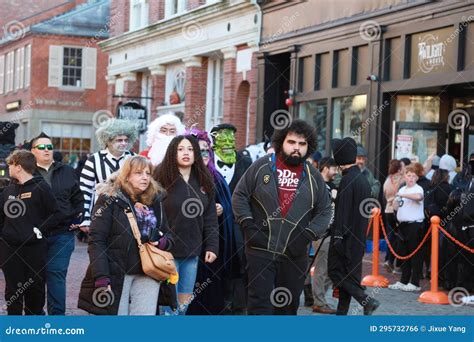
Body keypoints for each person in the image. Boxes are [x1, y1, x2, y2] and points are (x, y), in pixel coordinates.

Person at [232, 119, 332, 315]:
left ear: (308, 147)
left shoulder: (313, 176)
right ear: (281, 142)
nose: (296, 148)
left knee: (287, 306)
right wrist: (249, 226)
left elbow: (325, 211)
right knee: (259, 306)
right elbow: (239, 196)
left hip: (294, 255)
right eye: (292, 142)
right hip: (259, 250)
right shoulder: (261, 166)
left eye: (302, 144)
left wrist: (306, 236)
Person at [78, 156, 172, 315]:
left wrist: (162, 242)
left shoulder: (155, 200)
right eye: (138, 173)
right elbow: (96, 240)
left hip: (149, 271)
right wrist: (101, 276)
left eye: (148, 173)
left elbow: (169, 236)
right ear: (127, 175)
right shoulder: (109, 198)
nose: (145, 177)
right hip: (118, 272)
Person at [154, 135, 219, 315]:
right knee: (169, 307)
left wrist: (213, 246)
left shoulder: (204, 179)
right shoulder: (160, 177)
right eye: (181, 149)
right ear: (173, 152)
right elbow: (151, 212)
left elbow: (211, 217)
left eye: (190, 149)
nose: (186, 153)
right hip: (166, 253)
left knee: (183, 307)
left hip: (192, 252)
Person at [0, 150, 61, 315]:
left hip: (34, 249)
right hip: (10, 251)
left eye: (10, 165)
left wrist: (39, 230)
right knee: (13, 292)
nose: (8, 168)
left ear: (18, 167)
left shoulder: (41, 187)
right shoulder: (7, 190)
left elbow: (56, 213)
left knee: (35, 289)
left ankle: (32, 329)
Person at [30, 133, 84, 315]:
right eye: (42, 147)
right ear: (32, 151)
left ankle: (57, 321)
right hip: (33, 236)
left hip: (62, 234)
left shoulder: (67, 171)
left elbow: (79, 199)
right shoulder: (26, 172)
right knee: (35, 278)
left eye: (50, 147)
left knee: (56, 275)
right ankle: (35, 318)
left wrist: (76, 220)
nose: (47, 150)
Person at [186, 128, 237, 315]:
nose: (204, 155)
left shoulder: (217, 177)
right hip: (188, 246)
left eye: (207, 150)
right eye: (198, 151)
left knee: (212, 293)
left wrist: (223, 209)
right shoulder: (182, 177)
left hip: (213, 247)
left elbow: (229, 206)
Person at [327, 137, 379, 315]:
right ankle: (342, 314)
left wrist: (338, 237)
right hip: (357, 238)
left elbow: (343, 213)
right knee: (349, 277)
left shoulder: (347, 180)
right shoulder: (362, 179)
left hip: (345, 238)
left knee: (335, 272)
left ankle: (367, 300)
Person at [210, 123, 252, 314]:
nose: (228, 143)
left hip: (238, 224)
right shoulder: (206, 162)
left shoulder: (245, 161)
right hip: (213, 224)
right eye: (222, 139)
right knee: (215, 263)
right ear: (214, 141)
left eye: (231, 139)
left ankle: (238, 306)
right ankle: (217, 303)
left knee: (240, 262)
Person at [79, 119, 138, 234]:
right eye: (119, 140)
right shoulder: (94, 159)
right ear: (108, 140)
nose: (124, 143)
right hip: (101, 211)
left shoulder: (133, 158)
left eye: (126, 140)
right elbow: (85, 190)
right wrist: (85, 218)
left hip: (128, 212)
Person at [388, 165, 425, 292]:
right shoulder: (402, 189)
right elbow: (397, 207)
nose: (411, 178)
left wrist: (403, 194)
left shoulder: (418, 188)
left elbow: (419, 197)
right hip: (403, 225)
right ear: (405, 176)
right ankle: (404, 281)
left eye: (413, 176)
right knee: (403, 254)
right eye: (409, 175)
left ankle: (415, 282)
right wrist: (394, 201)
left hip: (415, 225)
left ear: (417, 178)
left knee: (415, 254)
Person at [311, 157, 337, 314]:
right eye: (334, 169)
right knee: (322, 269)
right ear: (326, 168)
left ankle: (317, 298)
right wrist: (332, 197)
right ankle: (319, 302)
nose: (336, 172)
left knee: (330, 268)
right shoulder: (317, 184)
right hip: (321, 232)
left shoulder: (332, 185)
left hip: (331, 232)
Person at [382, 159, 403, 273]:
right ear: (399, 168)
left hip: (387, 211)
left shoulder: (387, 180)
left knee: (391, 236)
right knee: (399, 237)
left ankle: (388, 260)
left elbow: (384, 196)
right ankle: (396, 263)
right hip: (397, 211)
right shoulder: (401, 179)